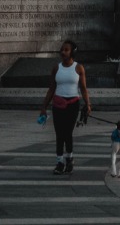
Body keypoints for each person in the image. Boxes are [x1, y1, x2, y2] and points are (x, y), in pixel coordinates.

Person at [39, 39, 91, 174]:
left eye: (66, 50)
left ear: (73, 52)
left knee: (67, 133)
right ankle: (60, 162)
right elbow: (51, 88)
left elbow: (83, 88)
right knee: (59, 134)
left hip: (73, 104)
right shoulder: (57, 68)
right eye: (62, 49)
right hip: (58, 104)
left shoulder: (78, 68)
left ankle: (69, 158)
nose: (63, 52)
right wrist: (44, 107)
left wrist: (88, 104)